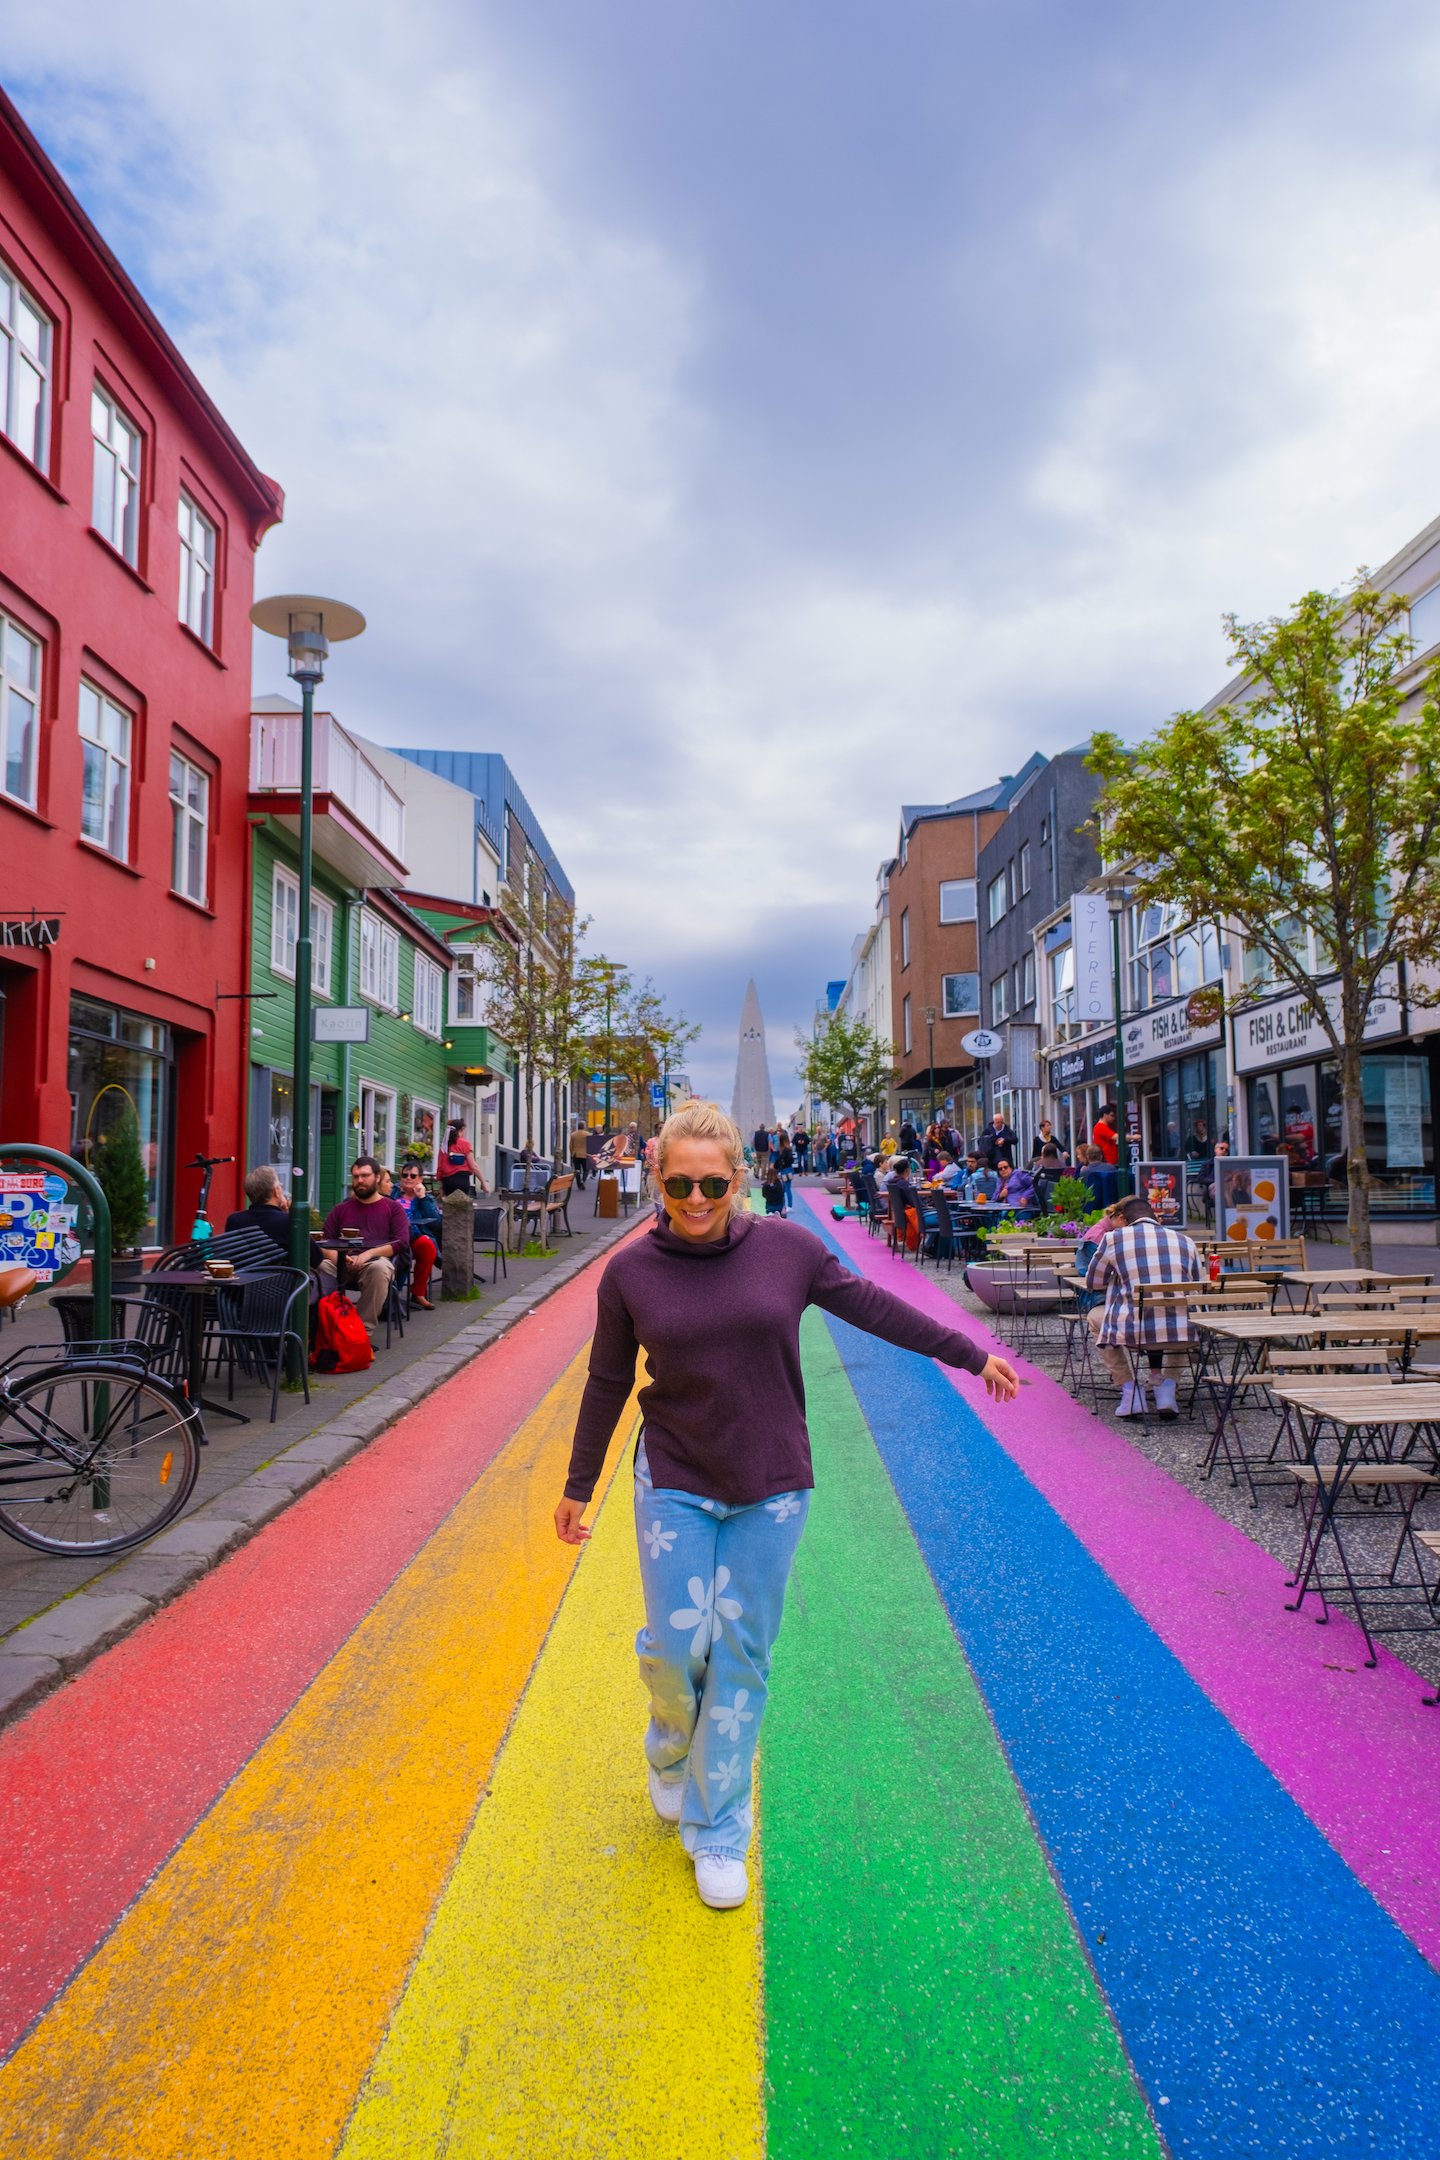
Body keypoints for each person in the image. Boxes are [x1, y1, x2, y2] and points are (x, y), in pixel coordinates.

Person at [554, 1101, 1019, 1912]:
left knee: (741, 1653)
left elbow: (874, 1306)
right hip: (673, 1477)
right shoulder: (630, 1272)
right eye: (678, 1184)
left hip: (771, 1483)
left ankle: (720, 1826)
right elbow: (606, 1382)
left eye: (713, 1183)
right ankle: (670, 1747)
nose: (696, 1200)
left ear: (739, 1176)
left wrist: (969, 1351)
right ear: (656, 1177)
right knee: (674, 1649)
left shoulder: (787, 1251)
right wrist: (577, 1483)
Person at [1083, 1192, 1202, 1419]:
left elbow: (1093, 1282)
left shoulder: (1113, 1239)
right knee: (1179, 1318)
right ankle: (1168, 1386)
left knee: (1095, 1318)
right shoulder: (1186, 1241)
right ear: (1155, 1217)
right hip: (1184, 1334)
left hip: (1134, 1332)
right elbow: (1198, 1285)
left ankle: (1129, 1389)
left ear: (1125, 1221)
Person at [318, 1157, 411, 1334]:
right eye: (355, 1176)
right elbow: (324, 1242)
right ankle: (324, 1329)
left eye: (365, 1176)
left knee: (380, 1268)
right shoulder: (341, 1209)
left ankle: (359, 1333)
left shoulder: (392, 1208)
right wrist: (335, 1256)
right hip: (340, 1263)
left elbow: (402, 1242)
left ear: (377, 1177)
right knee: (317, 1267)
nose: (359, 1180)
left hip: (373, 1262)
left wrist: (369, 1254)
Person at [397, 1161, 443, 1308]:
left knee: (427, 1245)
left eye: (413, 1175)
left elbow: (436, 1223)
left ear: (420, 1179)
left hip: (414, 1237)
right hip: (393, 1237)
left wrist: (422, 1198)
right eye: (405, 1175)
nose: (408, 1178)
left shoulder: (426, 1199)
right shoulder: (392, 1194)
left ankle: (418, 1293)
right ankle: (390, 1293)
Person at [224, 1165, 291, 1252]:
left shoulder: (234, 1221)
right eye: (280, 1186)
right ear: (277, 1191)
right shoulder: (288, 1222)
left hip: (245, 1266)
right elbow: (314, 1257)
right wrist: (288, 1215)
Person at [440, 1120, 487, 1196]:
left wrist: (441, 1184)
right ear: (461, 1129)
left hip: (447, 1180)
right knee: (461, 1205)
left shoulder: (444, 1145)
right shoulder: (464, 1144)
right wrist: (483, 1182)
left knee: (450, 1205)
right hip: (461, 1180)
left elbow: (440, 1166)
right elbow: (474, 1166)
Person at [569, 1121, 592, 1190]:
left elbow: (571, 1145)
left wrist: (571, 1153)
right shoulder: (588, 1134)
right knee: (586, 1169)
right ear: (584, 1126)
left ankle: (579, 1184)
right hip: (585, 1154)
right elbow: (591, 1145)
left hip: (576, 1154)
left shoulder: (573, 1134)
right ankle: (583, 1180)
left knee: (577, 1170)